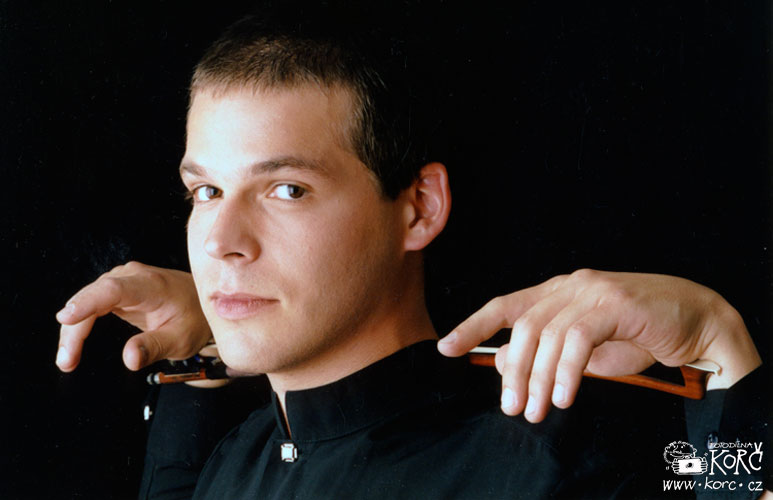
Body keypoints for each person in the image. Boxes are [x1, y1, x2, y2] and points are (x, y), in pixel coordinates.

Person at [55, 12, 768, 499]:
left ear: (420, 207)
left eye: (287, 189)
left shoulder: (547, 469)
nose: (219, 242)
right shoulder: (232, 455)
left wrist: (719, 347)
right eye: (206, 191)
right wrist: (201, 359)